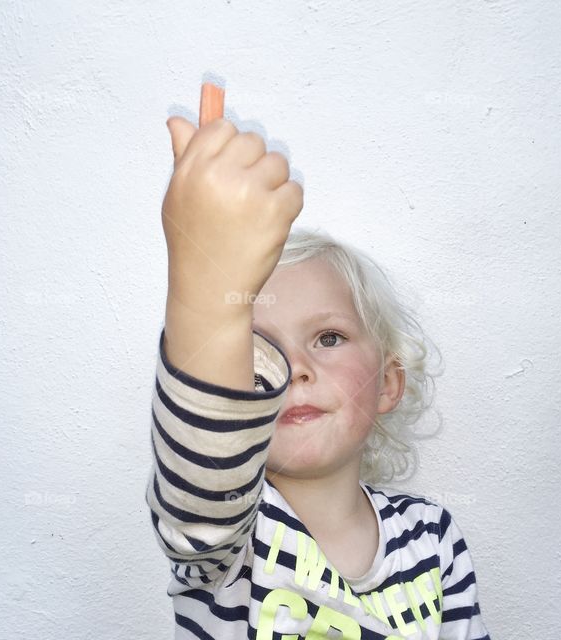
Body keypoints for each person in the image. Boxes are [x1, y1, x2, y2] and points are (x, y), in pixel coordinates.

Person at [147, 110, 490, 639]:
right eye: (259, 350)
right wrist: (206, 281)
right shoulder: (228, 534)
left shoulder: (433, 537)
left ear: (388, 383)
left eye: (329, 339)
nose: (297, 371)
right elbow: (201, 475)